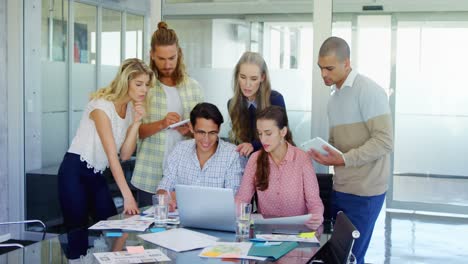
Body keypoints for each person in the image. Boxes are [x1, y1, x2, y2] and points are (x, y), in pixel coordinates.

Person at [57, 58, 155, 261]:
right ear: (125, 81)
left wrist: (136, 123)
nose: (144, 89)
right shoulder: (101, 107)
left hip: (95, 175)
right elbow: (112, 157)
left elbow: (126, 154)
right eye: (139, 84)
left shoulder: (129, 110)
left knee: (114, 226)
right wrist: (128, 195)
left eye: (146, 84)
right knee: (78, 231)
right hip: (74, 171)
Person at [309, 36, 394, 264]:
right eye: (320, 68)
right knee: (340, 256)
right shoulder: (333, 99)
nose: (323, 74)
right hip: (342, 187)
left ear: (347, 63)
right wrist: (326, 153)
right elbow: (339, 145)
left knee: (353, 257)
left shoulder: (369, 91)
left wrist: (344, 159)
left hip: (366, 191)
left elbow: (385, 141)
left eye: (329, 68)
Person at [132, 21, 203, 206]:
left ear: (179, 53)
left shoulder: (193, 87)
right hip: (149, 174)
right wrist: (162, 123)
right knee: (147, 230)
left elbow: (205, 131)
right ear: (152, 55)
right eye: (161, 58)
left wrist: (190, 131)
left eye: (172, 58)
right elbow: (134, 133)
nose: (167, 64)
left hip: (185, 174)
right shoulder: (144, 87)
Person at [235, 106, 324, 230]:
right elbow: (242, 198)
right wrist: (232, 215)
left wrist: (316, 216)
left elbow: (314, 201)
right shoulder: (255, 159)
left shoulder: (302, 158)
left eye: (268, 133)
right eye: (260, 134)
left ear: (283, 132)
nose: (263, 139)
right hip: (266, 233)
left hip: (297, 231)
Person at [156, 103, 244, 211]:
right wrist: (167, 198)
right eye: (201, 132)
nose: (206, 139)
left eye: (212, 133)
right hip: (180, 222)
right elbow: (163, 188)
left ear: (219, 129)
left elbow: (232, 199)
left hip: (215, 221)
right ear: (191, 128)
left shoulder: (231, 155)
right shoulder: (179, 150)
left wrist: (179, 196)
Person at [228, 51, 285, 157]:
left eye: (253, 79)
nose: (247, 84)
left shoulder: (275, 99)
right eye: (243, 77)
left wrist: (253, 145)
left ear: (262, 78)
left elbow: (280, 136)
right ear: (237, 76)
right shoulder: (232, 104)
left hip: (274, 158)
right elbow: (240, 140)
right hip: (246, 160)